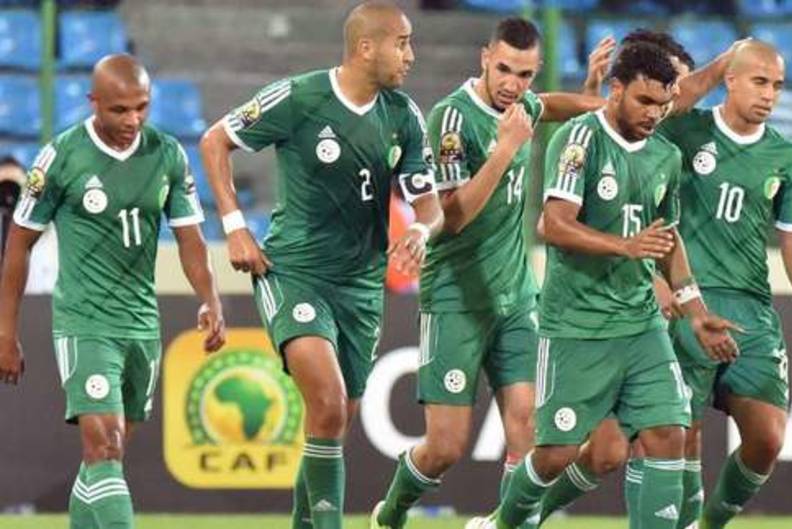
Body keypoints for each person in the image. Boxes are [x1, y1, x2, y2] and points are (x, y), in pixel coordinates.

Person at [467, 41, 738, 529]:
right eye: (644, 101)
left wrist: (697, 313)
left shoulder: (665, 156)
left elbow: (668, 238)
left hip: (641, 324)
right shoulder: (579, 140)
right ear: (616, 89)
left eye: (662, 104)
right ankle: (503, 522)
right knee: (555, 454)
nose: (654, 113)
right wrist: (625, 246)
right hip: (577, 325)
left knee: (668, 433)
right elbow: (554, 225)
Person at [199, 2, 443, 529]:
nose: (411, 56)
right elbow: (215, 140)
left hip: (360, 289)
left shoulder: (403, 115)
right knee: (329, 404)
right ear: (366, 47)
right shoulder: (300, 97)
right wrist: (235, 226)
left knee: (332, 423)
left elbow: (430, 204)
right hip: (294, 273)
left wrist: (420, 231)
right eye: (402, 43)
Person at [371, 16, 606, 529]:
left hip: (516, 298)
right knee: (444, 447)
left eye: (525, 75)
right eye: (504, 70)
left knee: (529, 429)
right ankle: (391, 512)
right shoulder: (452, 119)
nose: (513, 85)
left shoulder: (522, 108)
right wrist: (504, 150)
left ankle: (505, 524)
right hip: (456, 299)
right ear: (484, 58)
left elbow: (554, 106)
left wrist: (596, 99)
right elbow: (451, 216)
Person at [0, 54, 225, 529]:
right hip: (84, 322)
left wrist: (209, 298)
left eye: (142, 107)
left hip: (141, 324)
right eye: (120, 110)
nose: (133, 120)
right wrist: (6, 332)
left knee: (105, 458)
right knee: (105, 445)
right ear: (94, 102)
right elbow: (18, 245)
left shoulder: (167, 154)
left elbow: (190, 239)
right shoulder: (62, 157)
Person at [654, 40, 792, 529]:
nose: (769, 95)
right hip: (691, 300)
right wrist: (725, 58)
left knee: (768, 438)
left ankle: (709, 524)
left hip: (753, 309)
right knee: (682, 434)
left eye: (778, 86)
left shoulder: (785, 155)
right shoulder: (687, 129)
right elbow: (668, 102)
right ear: (730, 80)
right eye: (759, 81)